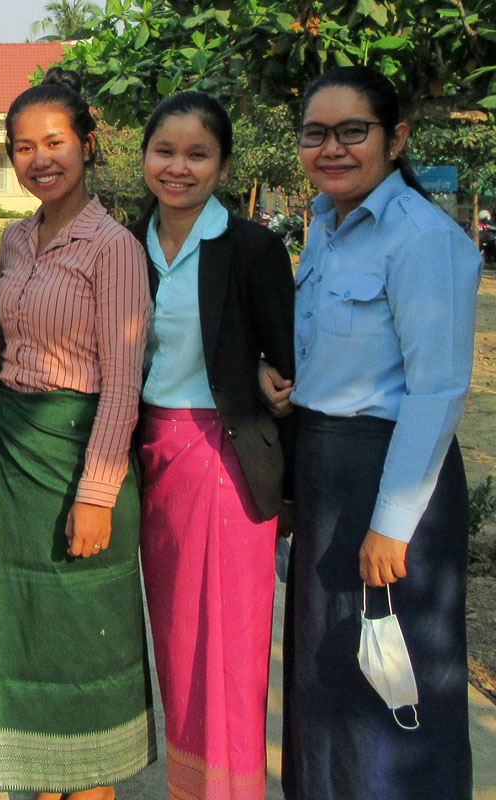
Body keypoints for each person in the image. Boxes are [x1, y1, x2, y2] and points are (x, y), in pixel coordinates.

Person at [265, 66, 480, 799]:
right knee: (328, 679)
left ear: (396, 138)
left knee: (394, 682)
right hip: (326, 472)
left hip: (392, 482)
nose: (332, 148)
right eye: (315, 133)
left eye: (352, 131)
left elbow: (438, 390)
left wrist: (392, 525)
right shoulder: (325, 227)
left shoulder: (423, 240)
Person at [0, 68, 155, 800]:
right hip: (16, 456)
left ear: (87, 145)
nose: (39, 159)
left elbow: (123, 381)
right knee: (29, 634)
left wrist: (96, 494)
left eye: (54, 141)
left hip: (81, 450)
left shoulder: (113, 246)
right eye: (23, 147)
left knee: (86, 643)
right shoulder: (14, 241)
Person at [128, 91, 294, 800]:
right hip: (154, 458)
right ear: (144, 158)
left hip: (225, 457)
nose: (178, 167)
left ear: (222, 165)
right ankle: (189, 786)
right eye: (165, 151)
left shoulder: (253, 247)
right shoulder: (126, 244)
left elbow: (287, 363)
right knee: (177, 638)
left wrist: (261, 372)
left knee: (229, 643)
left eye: (197, 154)